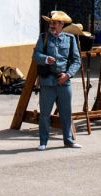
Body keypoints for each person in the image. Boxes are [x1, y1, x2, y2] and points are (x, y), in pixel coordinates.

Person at [33, 11, 82, 151]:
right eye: (50, 23)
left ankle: (69, 140)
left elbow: (76, 61)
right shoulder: (44, 37)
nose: (52, 25)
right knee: (44, 114)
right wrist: (45, 59)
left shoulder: (70, 38)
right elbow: (35, 55)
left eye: (55, 23)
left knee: (66, 113)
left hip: (64, 81)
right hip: (48, 81)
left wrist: (68, 75)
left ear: (61, 24)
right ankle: (43, 142)